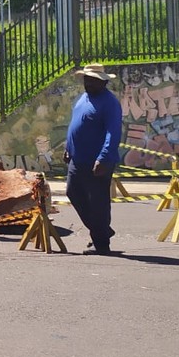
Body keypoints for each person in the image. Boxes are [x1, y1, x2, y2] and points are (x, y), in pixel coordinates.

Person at [64, 63, 123, 255]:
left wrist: (103, 158)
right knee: (73, 192)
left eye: (93, 80)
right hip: (77, 158)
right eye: (86, 79)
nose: (88, 83)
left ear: (103, 82)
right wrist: (68, 147)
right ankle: (102, 230)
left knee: (98, 202)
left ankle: (102, 244)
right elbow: (75, 124)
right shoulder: (83, 98)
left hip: (97, 161)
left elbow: (113, 132)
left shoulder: (109, 103)